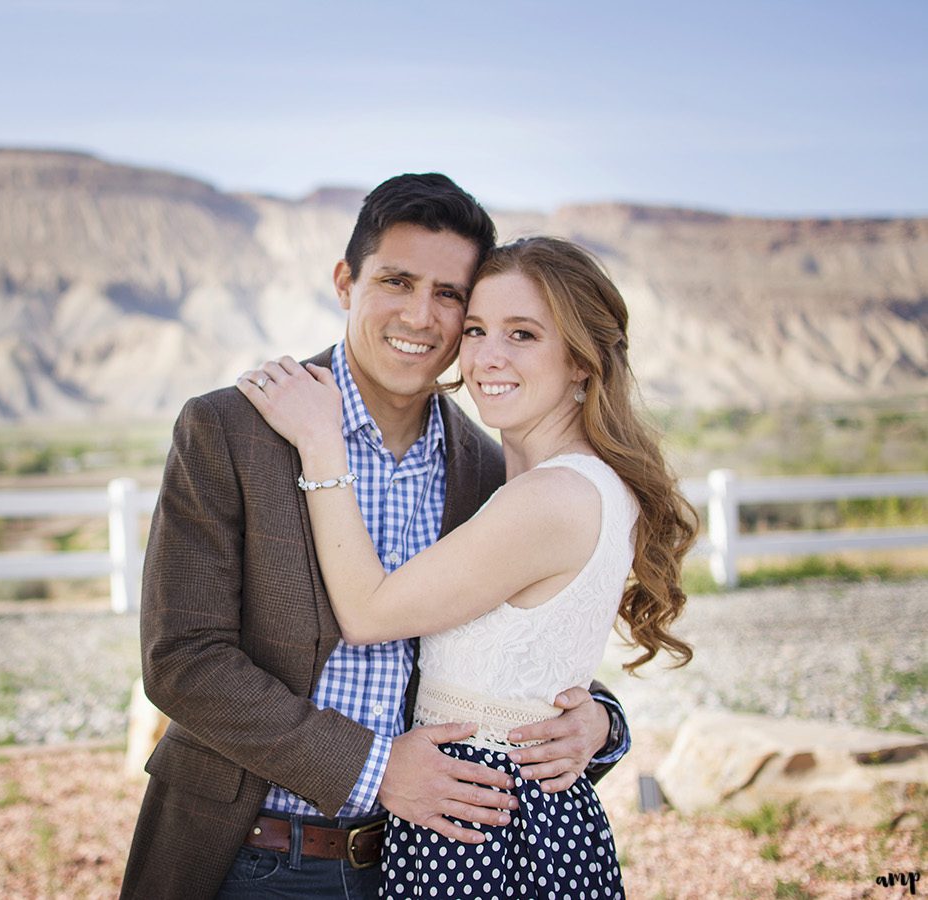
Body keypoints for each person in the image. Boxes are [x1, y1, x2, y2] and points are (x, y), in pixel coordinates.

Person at [120, 176, 632, 900]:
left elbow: (505, 659)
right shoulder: (233, 430)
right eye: (397, 281)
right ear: (345, 283)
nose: (421, 316)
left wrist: (601, 724)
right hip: (251, 855)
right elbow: (183, 659)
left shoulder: (487, 470)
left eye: (450, 295)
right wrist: (372, 768)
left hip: (421, 862)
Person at [237, 235, 697, 898]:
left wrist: (320, 443)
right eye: (477, 329)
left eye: (523, 334)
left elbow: (368, 614)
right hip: (500, 819)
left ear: (581, 362)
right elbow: (532, 668)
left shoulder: (553, 498)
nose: (487, 357)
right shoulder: (563, 484)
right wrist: (599, 719)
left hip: (490, 835)